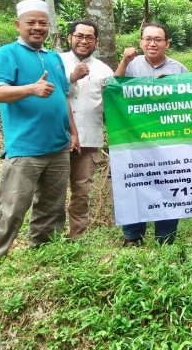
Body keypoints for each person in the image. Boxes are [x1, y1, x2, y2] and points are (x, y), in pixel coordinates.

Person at [0, 0, 80, 270]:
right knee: (12, 206)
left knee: (52, 205)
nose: (37, 28)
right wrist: (31, 88)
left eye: (42, 23)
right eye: (31, 23)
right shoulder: (7, 53)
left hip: (58, 146)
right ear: (18, 25)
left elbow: (63, 97)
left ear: (49, 27)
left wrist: (73, 132)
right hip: (25, 146)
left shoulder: (53, 57)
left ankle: (44, 250)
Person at [114, 23, 187, 246]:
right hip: (133, 138)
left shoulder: (179, 69)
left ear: (167, 43)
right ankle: (132, 236)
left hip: (167, 139)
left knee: (167, 186)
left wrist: (172, 87)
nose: (152, 43)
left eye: (157, 39)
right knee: (134, 183)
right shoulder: (131, 65)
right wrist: (124, 61)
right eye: (148, 39)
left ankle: (165, 237)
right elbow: (112, 90)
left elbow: (189, 102)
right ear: (140, 42)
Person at [60, 21, 114, 240]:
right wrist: (71, 78)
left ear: (96, 42)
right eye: (79, 36)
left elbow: (111, 106)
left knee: (82, 191)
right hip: (57, 138)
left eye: (89, 38)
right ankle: (48, 237)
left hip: (89, 139)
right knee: (52, 191)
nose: (84, 41)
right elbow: (46, 91)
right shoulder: (56, 62)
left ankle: (77, 236)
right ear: (69, 37)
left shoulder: (104, 69)